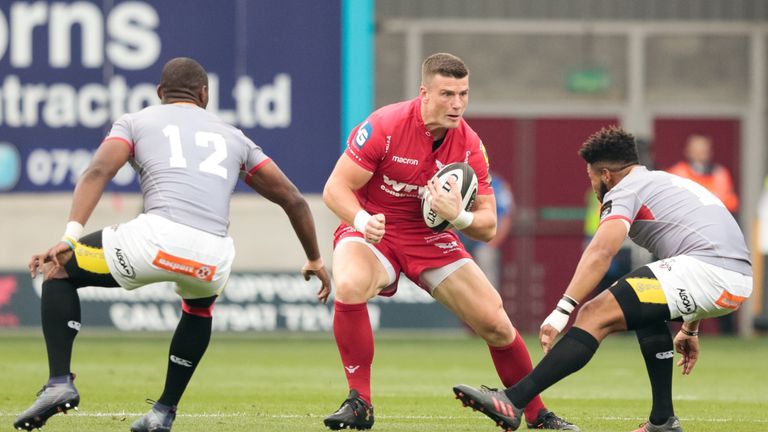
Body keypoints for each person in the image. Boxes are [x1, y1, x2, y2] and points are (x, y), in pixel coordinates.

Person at [14, 57, 331, 432]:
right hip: (214, 257)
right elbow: (293, 199)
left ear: (160, 94)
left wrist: (69, 236)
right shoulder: (235, 137)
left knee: (59, 269)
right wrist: (314, 258)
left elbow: (99, 170)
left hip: (155, 240)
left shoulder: (137, 121)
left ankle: (58, 383)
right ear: (204, 94)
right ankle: (164, 411)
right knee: (199, 306)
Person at [321, 52, 577, 431]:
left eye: (463, 94)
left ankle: (537, 414)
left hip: (429, 238)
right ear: (424, 93)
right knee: (350, 283)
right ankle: (360, 403)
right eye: (447, 94)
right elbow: (335, 187)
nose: (457, 104)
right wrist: (360, 219)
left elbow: (488, 225)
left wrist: (458, 216)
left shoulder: (470, 145)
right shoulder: (385, 125)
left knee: (495, 321)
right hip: (374, 226)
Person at [453, 126, 753, 432]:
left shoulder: (626, 189)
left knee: (594, 313)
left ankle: (513, 400)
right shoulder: (665, 181)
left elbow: (600, 251)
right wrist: (691, 327)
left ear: (606, 175)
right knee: (644, 309)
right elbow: (709, 244)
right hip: (734, 278)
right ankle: (663, 420)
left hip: (708, 271)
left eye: (593, 177)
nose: (594, 184)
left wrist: (562, 310)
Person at [457, 170, 514, 290]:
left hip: (484, 241)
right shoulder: (458, 180)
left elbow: (506, 217)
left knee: (485, 256)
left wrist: (492, 243)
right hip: (460, 240)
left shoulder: (498, 185)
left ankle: (491, 304)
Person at [667, 133, 739, 213]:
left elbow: (732, 203)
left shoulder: (720, 174)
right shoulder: (677, 173)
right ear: (687, 151)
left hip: (715, 219)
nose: (700, 154)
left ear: (710, 151)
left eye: (703, 151)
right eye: (696, 150)